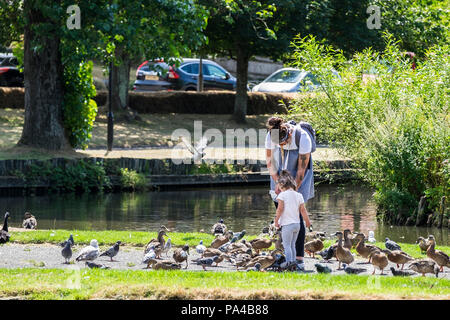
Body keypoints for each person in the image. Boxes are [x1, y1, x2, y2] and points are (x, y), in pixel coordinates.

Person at [265, 116, 315, 271]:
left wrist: (292, 189)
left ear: (289, 135)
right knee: (281, 209)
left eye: (284, 143)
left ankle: (299, 257)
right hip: (279, 172)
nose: (282, 145)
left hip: (298, 172)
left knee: (297, 212)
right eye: (279, 144)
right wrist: (278, 183)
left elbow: (301, 169)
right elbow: (270, 162)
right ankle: (288, 253)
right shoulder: (272, 134)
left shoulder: (303, 137)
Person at [274, 170, 311, 269]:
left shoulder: (282, 195)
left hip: (287, 225)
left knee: (287, 245)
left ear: (282, 185)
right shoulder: (299, 195)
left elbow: (280, 209)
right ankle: (294, 262)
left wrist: (276, 221)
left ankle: (289, 263)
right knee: (293, 245)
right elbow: (303, 210)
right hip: (297, 225)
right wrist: (307, 222)